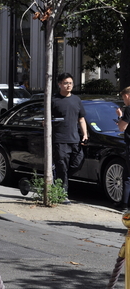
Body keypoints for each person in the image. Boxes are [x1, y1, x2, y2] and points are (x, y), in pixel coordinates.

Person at [51, 72, 88, 204]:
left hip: (75, 139)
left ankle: (57, 179)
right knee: (62, 166)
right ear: (59, 84)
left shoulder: (76, 100)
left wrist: (85, 134)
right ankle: (62, 195)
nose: (68, 85)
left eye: (70, 83)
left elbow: (81, 119)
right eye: (66, 83)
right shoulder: (53, 100)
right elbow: (45, 119)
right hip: (59, 139)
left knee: (77, 163)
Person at [115, 86, 130, 210]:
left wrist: (120, 117)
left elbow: (122, 127)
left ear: (127, 96)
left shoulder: (129, 109)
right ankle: (124, 203)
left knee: (128, 175)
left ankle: (125, 204)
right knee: (127, 174)